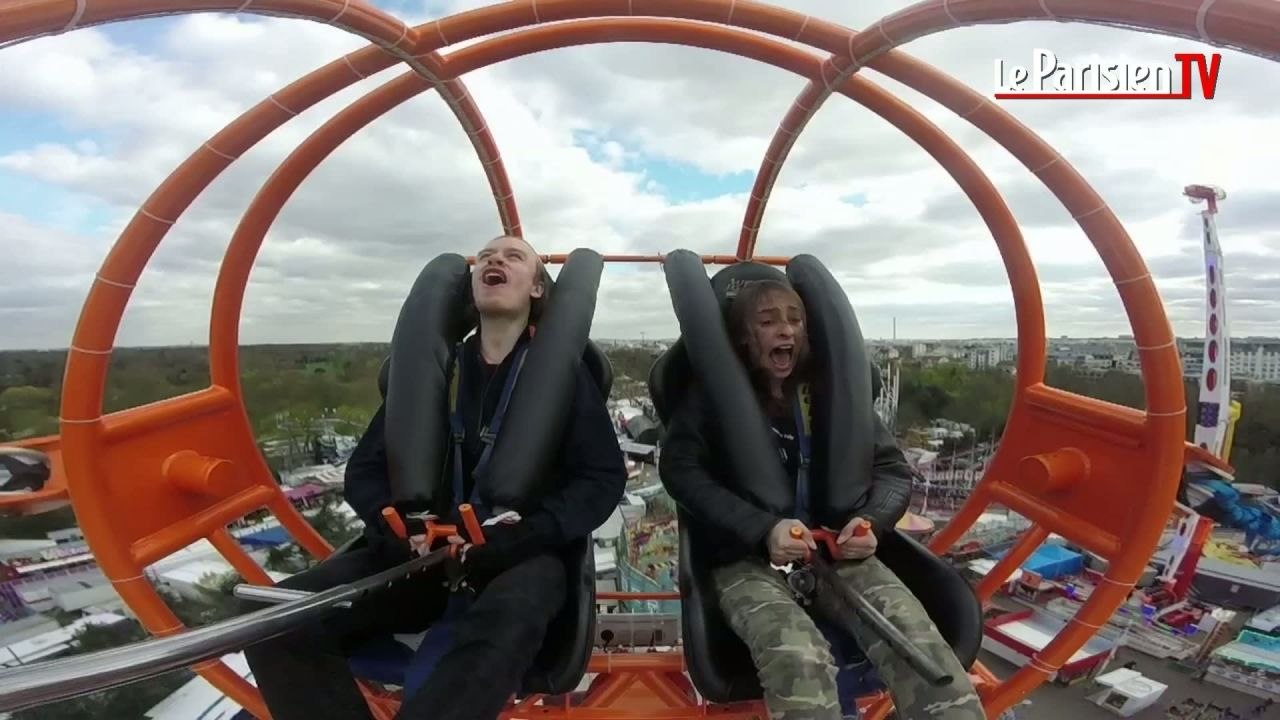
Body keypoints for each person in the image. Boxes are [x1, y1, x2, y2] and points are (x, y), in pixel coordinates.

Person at [243, 235, 628, 720]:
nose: (494, 259)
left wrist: (528, 534)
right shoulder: (432, 378)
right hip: (418, 558)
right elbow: (365, 471)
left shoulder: (564, 380)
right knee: (274, 621)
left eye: (514, 256)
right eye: (487, 255)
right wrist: (393, 527)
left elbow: (601, 479)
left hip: (517, 555)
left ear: (536, 289)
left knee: (504, 621)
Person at [659, 278, 984, 719]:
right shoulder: (709, 401)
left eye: (795, 321)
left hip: (837, 551)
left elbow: (890, 470)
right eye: (768, 321)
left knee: (917, 643)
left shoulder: (835, 399)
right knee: (797, 656)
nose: (786, 331)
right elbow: (681, 472)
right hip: (746, 558)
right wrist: (761, 528)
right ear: (742, 336)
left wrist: (871, 521)